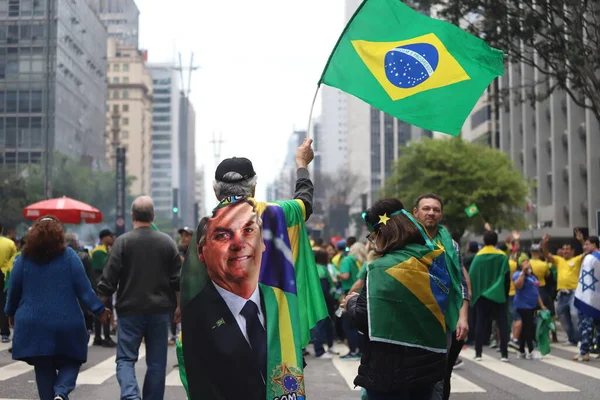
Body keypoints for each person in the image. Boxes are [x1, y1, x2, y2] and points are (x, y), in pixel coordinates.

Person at [344, 198, 460, 399]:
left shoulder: (382, 267)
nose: (374, 242)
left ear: (383, 233)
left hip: (390, 368)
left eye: (373, 237)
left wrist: (352, 303)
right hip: (429, 364)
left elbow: (365, 317)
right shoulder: (434, 258)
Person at [4, 216, 110, 400]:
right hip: (67, 322)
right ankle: (61, 391)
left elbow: (13, 290)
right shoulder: (69, 256)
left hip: (33, 323)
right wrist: (99, 310)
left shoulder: (22, 260)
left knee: (43, 367)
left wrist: (10, 313)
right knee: (73, 358)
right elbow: (84, 289)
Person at [97, 196, 182, 400]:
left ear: (132, 216)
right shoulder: (167, 243)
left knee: (125, 359)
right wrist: (180, 307)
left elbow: (108, 279)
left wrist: (100, 307)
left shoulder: (122, 243)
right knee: (156, 363)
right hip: (161, 313)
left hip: (129, 312)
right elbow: (178, 281)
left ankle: (130, 395)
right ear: (152, 216)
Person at [412, 193, 469, 398]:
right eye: (426, 208)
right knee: (413, 373)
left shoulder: (451, 246)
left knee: (440, 373)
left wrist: (463, 317)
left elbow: (461, 284)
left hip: (443, 319)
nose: (431, 213)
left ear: (441, 215)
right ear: (415, 212)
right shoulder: (405, 242)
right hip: (411, 319)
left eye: (436, 210)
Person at [469, 231, 511, 361]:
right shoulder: (502, 256)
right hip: (499, 295)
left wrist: (474, 294)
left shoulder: (478, 256)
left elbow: (472, 276)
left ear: (484, 241)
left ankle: (478, 353)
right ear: (496, 241)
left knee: (480, 323)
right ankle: (504, 354)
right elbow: (506, 277)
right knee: (502, 324)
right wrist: (505, 294)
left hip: (482, 296)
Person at [542, 233, 584, 345]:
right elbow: (546, 255)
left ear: (572, 251)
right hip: (561, 293)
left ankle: (580, 339)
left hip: (574, 292)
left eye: (567, 249)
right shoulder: (558, 260)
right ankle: (572, 339)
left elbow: (586, 254)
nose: (565, 251)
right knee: (562, 316)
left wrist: (581, 241)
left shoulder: (577, 259)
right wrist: (545, 244)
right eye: (563, 249)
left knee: (574, 314)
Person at [573, 236, 600, 361]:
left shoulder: (590, 258)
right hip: (597, 297)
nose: (584, 247)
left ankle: (584, 352)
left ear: (594, 245)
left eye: (587, 244)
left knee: (586, 325)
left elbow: (586, 279)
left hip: (588, 298)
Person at [512, 259, 546, 359]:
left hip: (532, 306)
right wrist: (523, 272)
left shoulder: (532, 276)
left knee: (525, 329)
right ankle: (530, 351)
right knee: (528, 328)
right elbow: (518, 285)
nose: (527, 263)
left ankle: (522, 351)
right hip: (522, 305)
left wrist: (541, 305)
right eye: (524, 261)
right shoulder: (518, 274)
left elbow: (536, 291)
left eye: (528, 261)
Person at [90, 229, 116, 347]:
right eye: (110, 236)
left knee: (102, 310)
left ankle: (99, 337)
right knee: (104, 310)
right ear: (104, 237)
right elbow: (106, 266)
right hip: (102, 286)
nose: (112, 238)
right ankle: (104, 337)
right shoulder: (99, 252)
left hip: (102, 284)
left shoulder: (104, 250)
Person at [0, 222, 17, 343]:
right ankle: (4, 334)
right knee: (3, 304)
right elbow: (14, 260)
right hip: (5, 277)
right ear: (2, 229)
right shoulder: (9, 243)